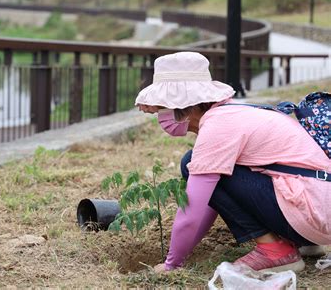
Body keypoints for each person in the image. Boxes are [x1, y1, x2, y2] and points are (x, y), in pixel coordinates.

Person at [135, 52, 330, 273]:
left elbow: (194, 209)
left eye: (161, 109)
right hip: (319, 208)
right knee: (205, 166)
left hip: (312, 214)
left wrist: (172, 263)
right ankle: (305, 242)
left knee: (190, 162)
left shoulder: (218, 127)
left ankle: (276, 251)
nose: (161, 117)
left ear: (182, 105)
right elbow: (210, 201)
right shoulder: (233, 112)